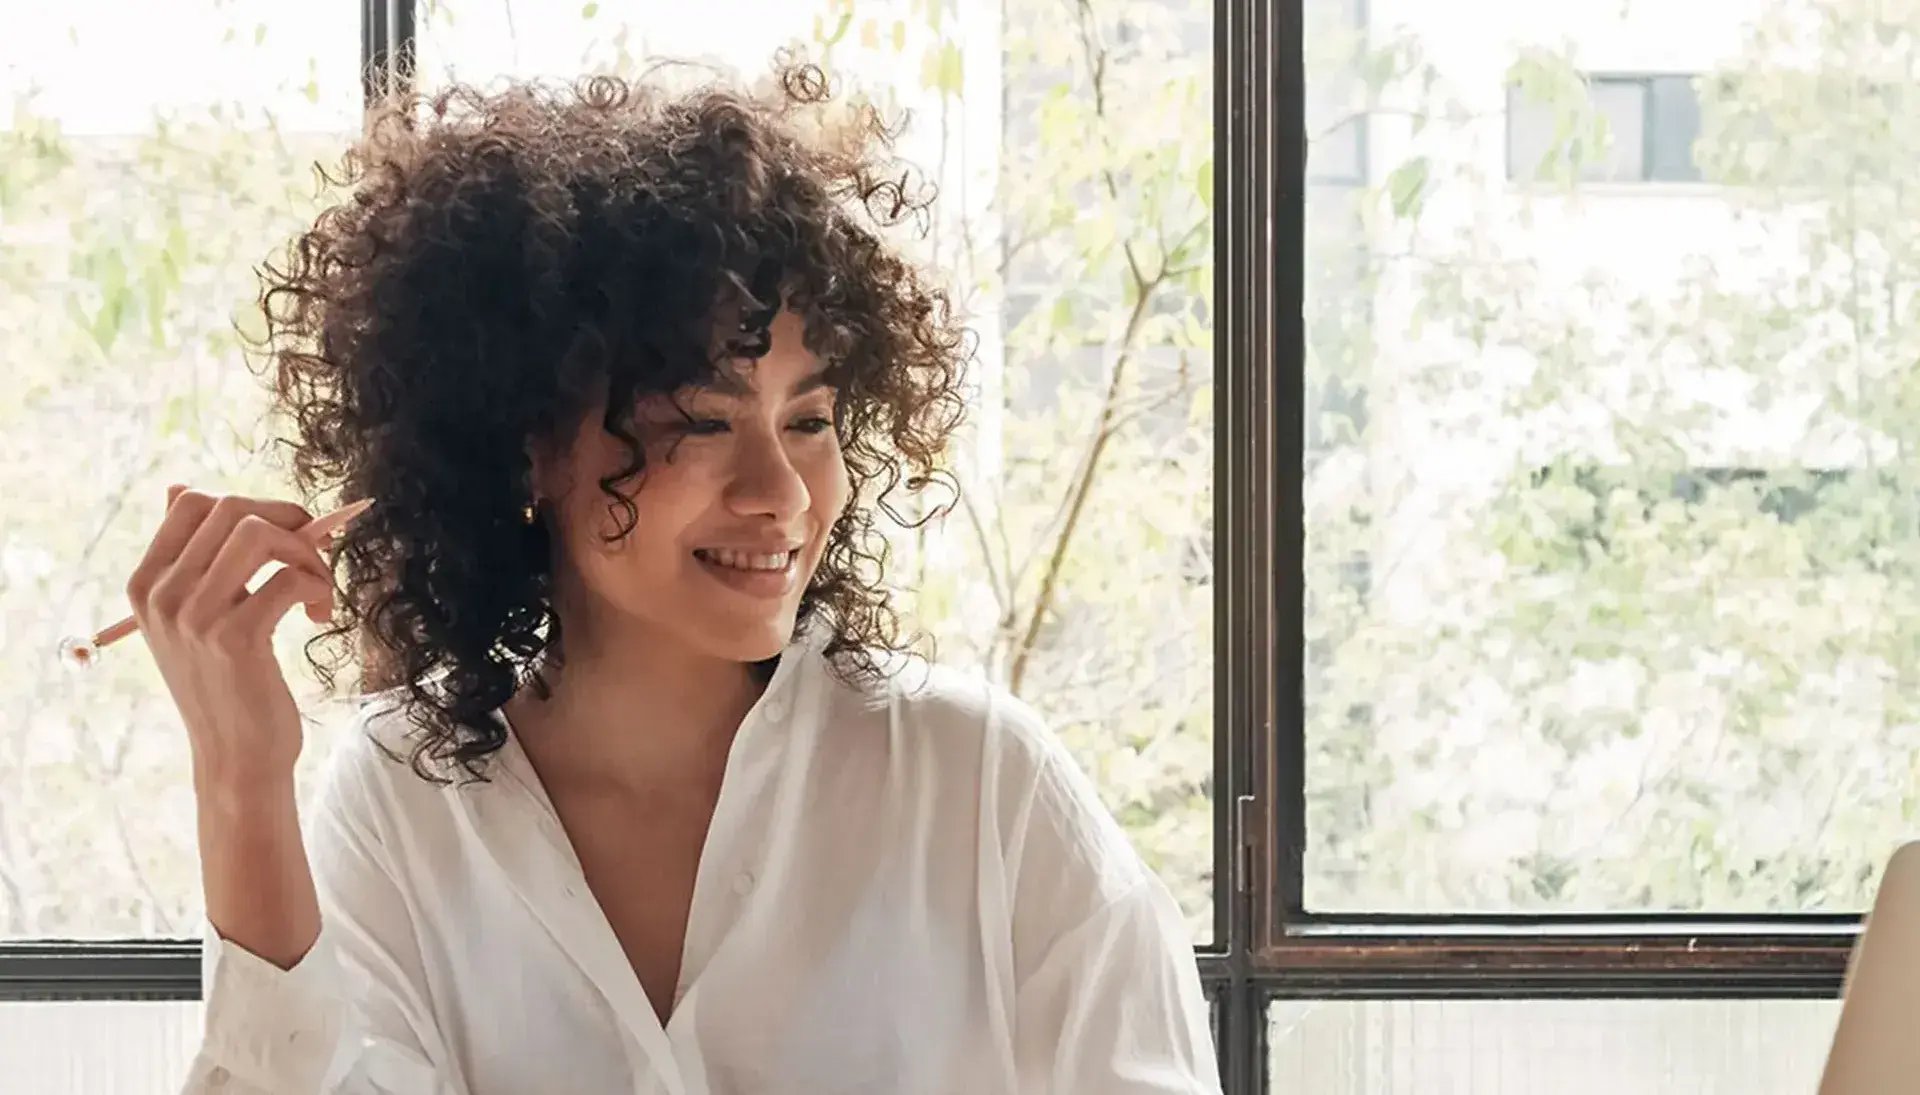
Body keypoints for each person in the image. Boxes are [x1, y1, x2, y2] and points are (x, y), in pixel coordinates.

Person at [131, 58, 1219, 1094]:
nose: (783, 494)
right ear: (527, 445)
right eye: (700, 421)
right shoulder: (400, 801)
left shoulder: (978, 784)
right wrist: (240, 777)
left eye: (809, 420)